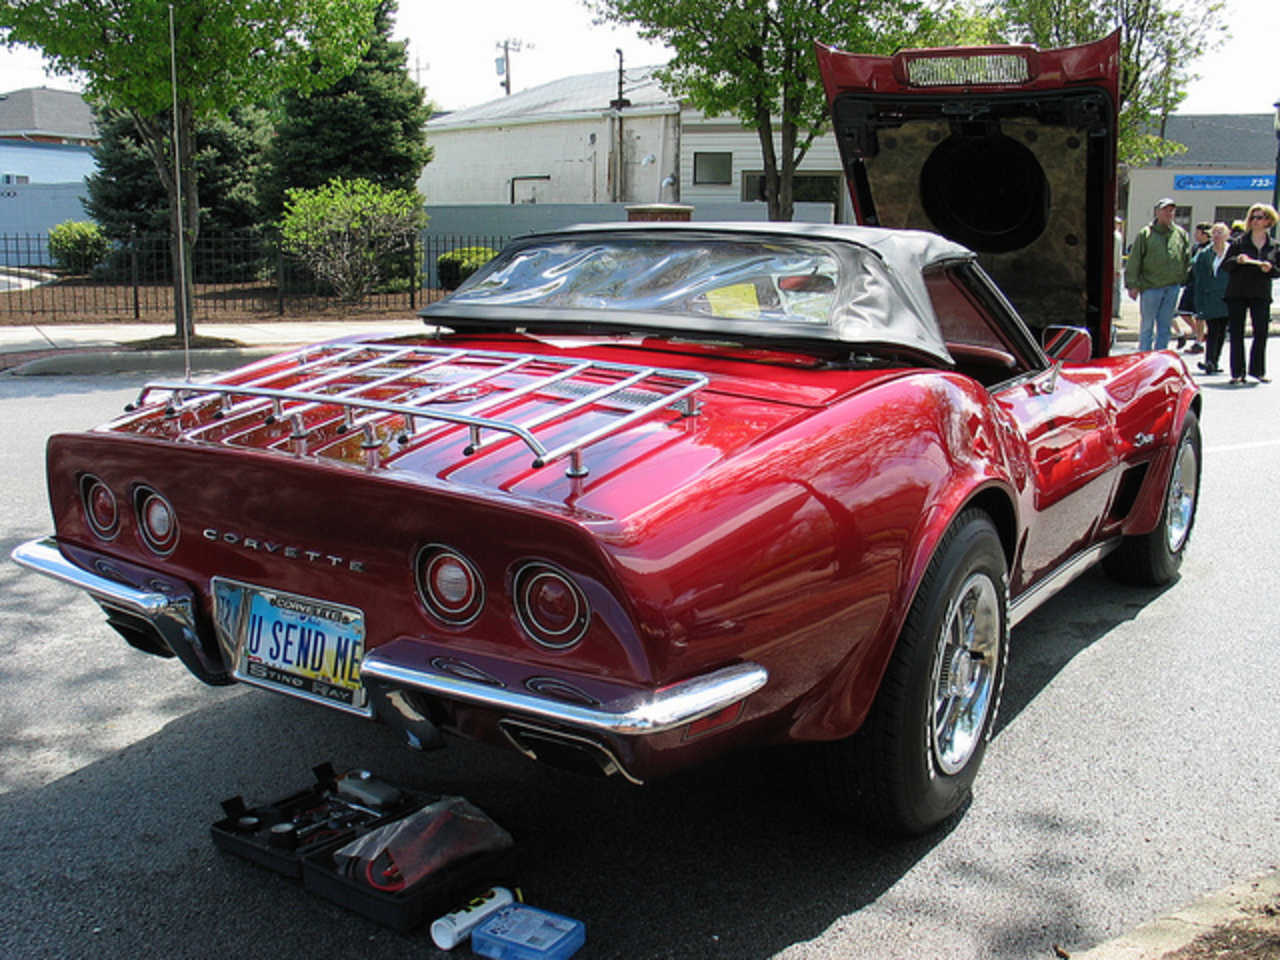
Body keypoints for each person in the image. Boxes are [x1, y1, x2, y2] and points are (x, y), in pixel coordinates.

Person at [1221, 203, 1279, 384]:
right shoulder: (1239, 242)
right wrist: (1237, 260)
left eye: (1259, 217)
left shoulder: (1273, 246)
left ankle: (1257, 370)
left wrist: (1270, 269)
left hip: (1260, 293)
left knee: (1261, 332)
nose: (1255, 221)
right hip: (1238, 291)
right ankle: (1237, 372)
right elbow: (1226, 265)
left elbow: (1278, 271)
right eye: (1252, 217)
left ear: (1268, 221)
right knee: (1236, 333)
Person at [1125, 198, 1191, 351]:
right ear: (1156, 212)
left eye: (1171, 210)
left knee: (1165, 326)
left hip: (1172, 287)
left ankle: (1160, 356)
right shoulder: (1145, 234)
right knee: (1147, 326)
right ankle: (1144, 355)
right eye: (1165, 210)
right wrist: (1132, 285)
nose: (1169, 213)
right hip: (1151, 287)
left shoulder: (1180, 234)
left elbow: (1186, 258)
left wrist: (1182, 278)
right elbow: (1135, 260)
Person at [1191, 222, 1232, 375]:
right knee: (1213, 329)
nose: (1216, 235)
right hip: (1211, 296)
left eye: (1220, 232)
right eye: (1214, 232)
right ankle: (1209, 361)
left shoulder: (1232, 252)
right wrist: (1199, 299)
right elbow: (1198, 276)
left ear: (1227, 235)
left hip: (1228, 296)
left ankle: (1215, 360)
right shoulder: (1204, 254)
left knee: (1222, 330)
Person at [1175, 221, 1212, 352]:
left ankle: (1199, 342)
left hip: (1202, 285)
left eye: (1198, 233)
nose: (1195, 235)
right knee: (1183, 311)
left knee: (1199, 315)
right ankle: (1199, 334)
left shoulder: (1210, 249)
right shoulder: (1196, 247)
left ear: (1205, 234)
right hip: (1191, 283)